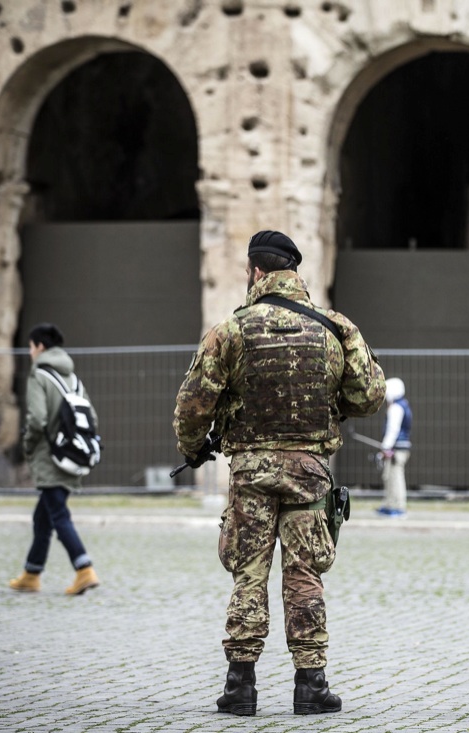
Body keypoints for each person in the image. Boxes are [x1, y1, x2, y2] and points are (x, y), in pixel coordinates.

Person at [174, 230, 386, 717]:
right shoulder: (335, 328)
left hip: (250, 471)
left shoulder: (231, 330)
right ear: (294, 272)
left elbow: (193, 404)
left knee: (248, 572)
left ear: (256, 272)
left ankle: (240, 685)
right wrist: (332, 406)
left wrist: (195, 449)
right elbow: (370, 395)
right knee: (304, 572)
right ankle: (311, 684)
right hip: (309, 470)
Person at [8, 323, 101, 596]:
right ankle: (31, 573)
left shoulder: (39, 375)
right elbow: (92, 418)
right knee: (43, 516)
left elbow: (37, 418)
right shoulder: (73, 379)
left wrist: (28, 445)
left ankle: (84, 569)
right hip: (71, 455)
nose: (30, 352)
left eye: (30, 347)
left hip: (50, 456)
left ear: (40, 346)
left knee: (58, 514)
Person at [377, 377, 412, 517]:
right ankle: (389, 504)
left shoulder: (396, 407)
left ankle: (398, 506)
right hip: (400, 447)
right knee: (389, 476)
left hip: (396, 449)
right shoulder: (404, 405)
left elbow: (393, 429)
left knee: (395, 476)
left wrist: (385, 447)